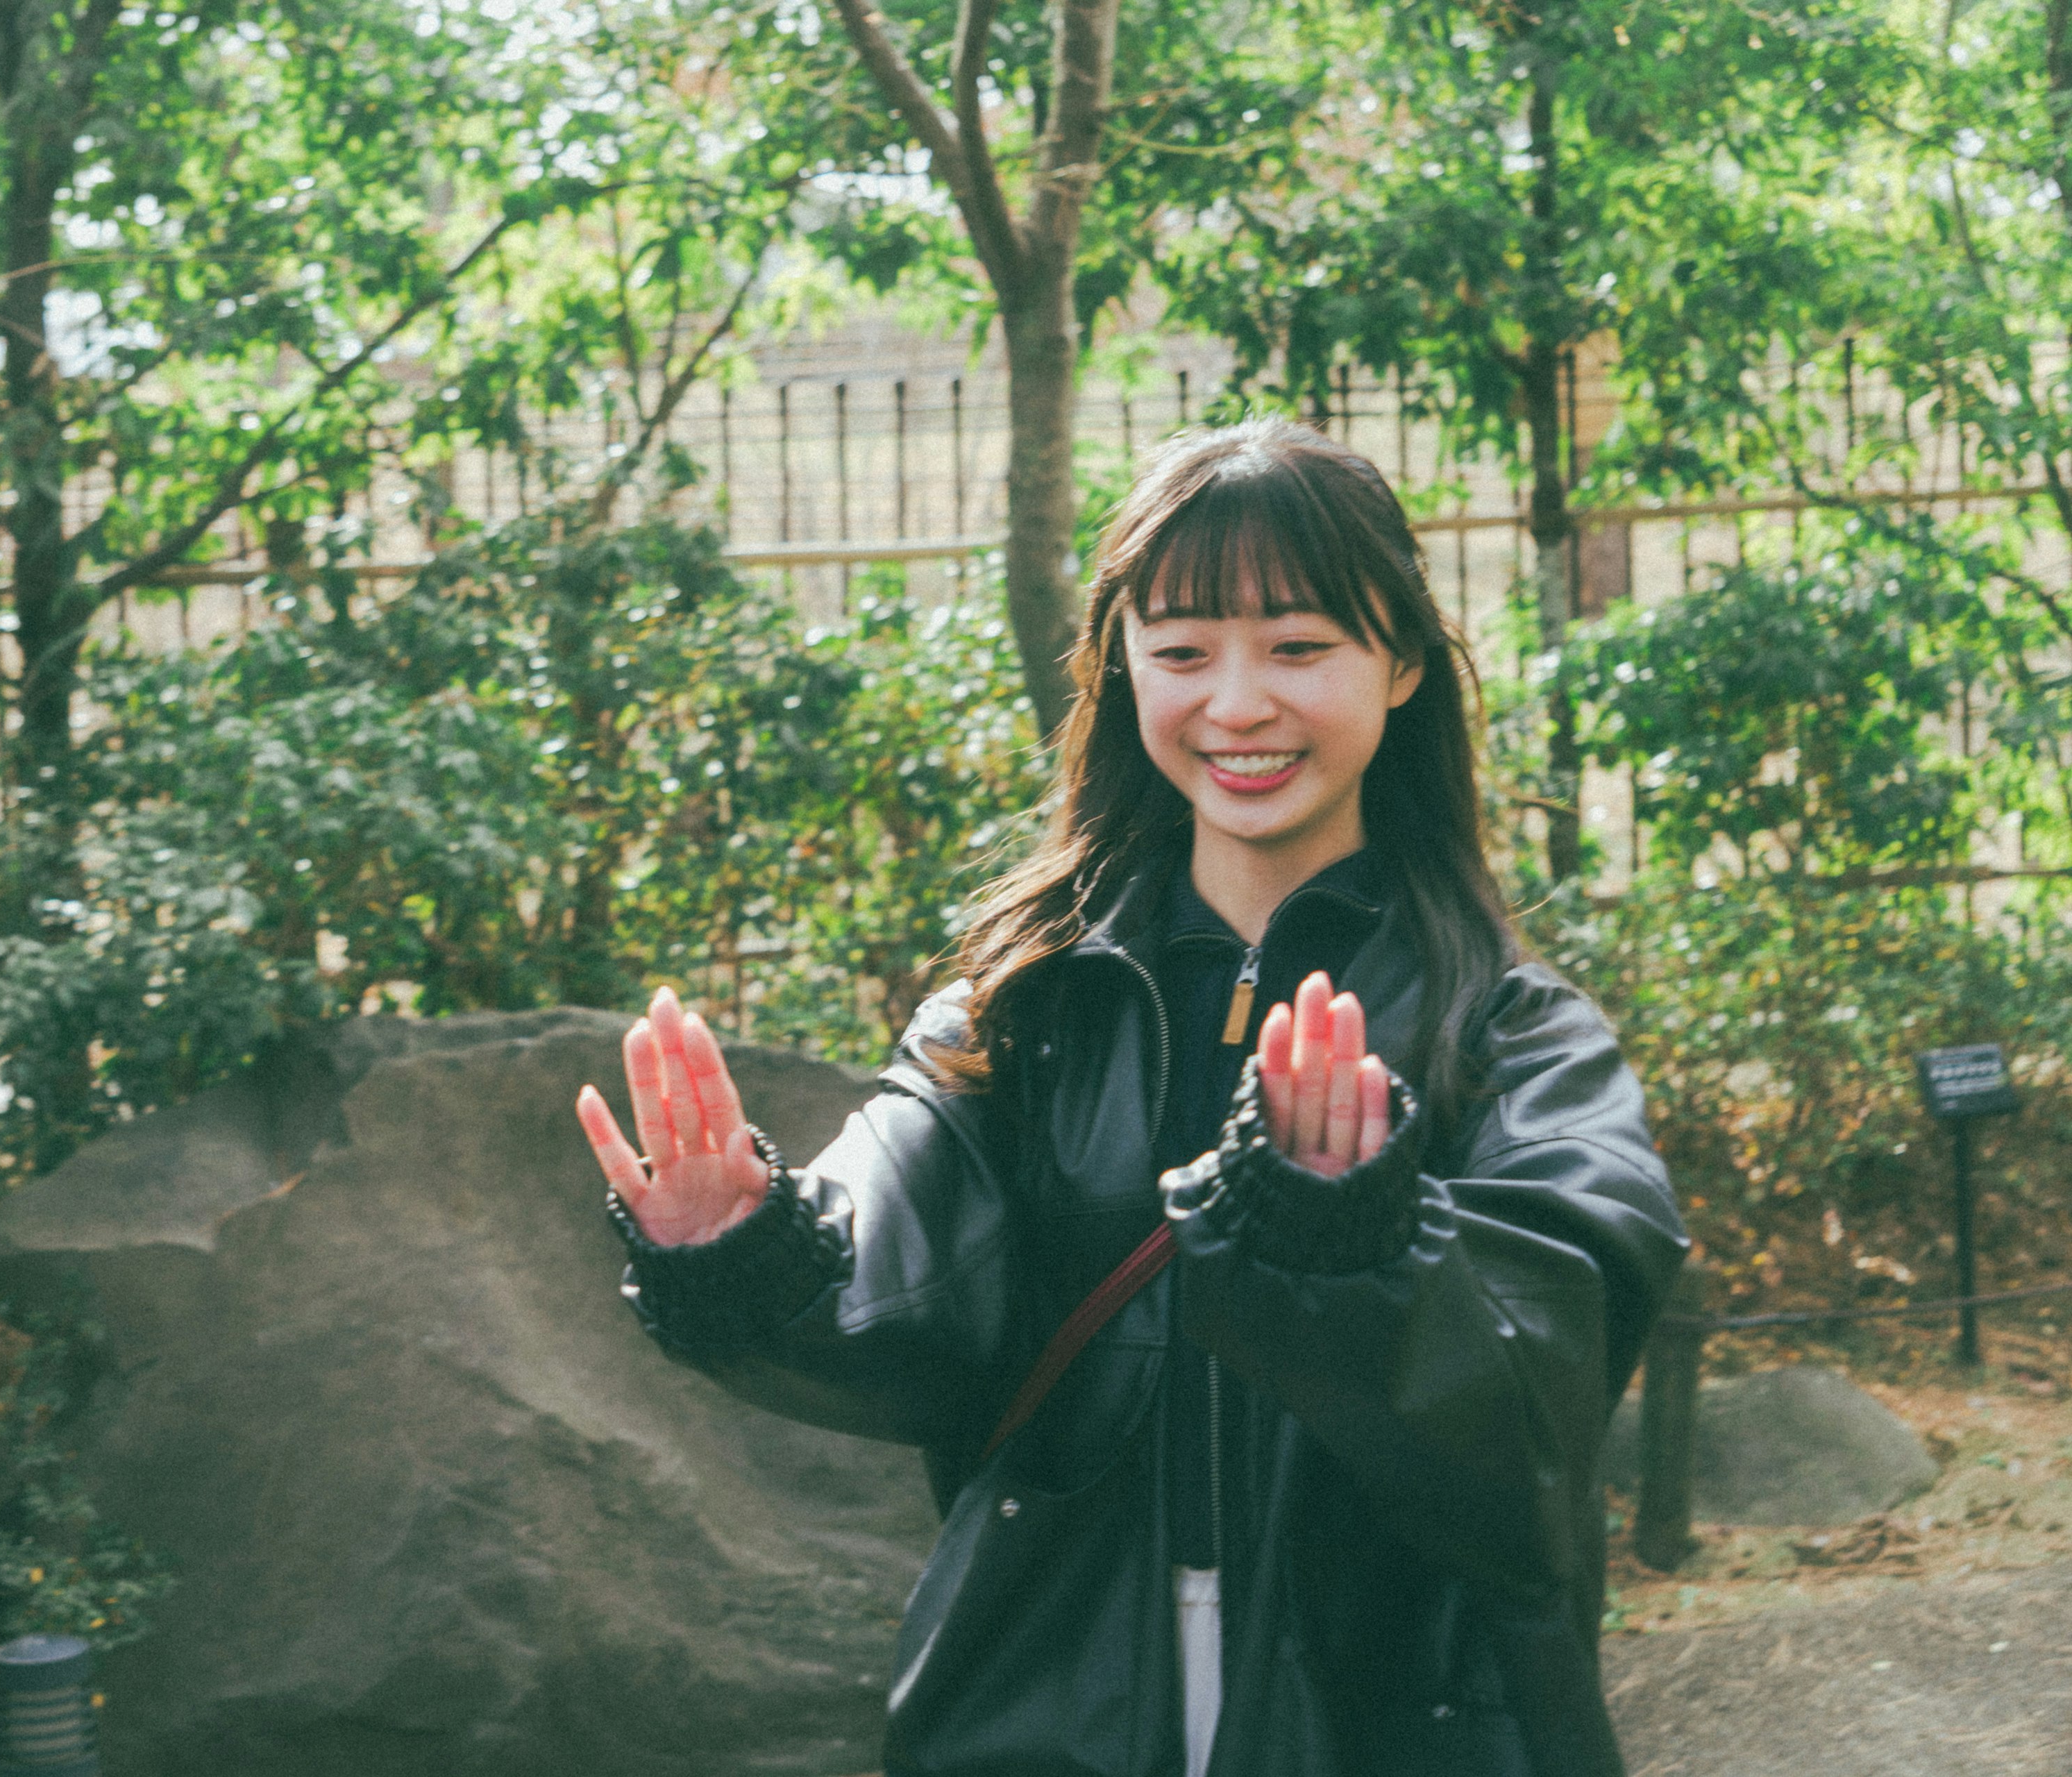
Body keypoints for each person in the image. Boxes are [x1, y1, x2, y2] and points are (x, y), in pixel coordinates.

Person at [573, 417, 1688, 1777]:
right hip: (1052, 1691)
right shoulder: (1018, 1014)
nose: (1236, 704)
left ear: (1399, 661)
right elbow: (896, 1267)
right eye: (1181, 652)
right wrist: (746, 1240)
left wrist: (1357, 1241)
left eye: (1296, 645)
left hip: (1402, 1711)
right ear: (1121, 670)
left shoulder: (1511, 1033)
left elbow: (1542, 1384)